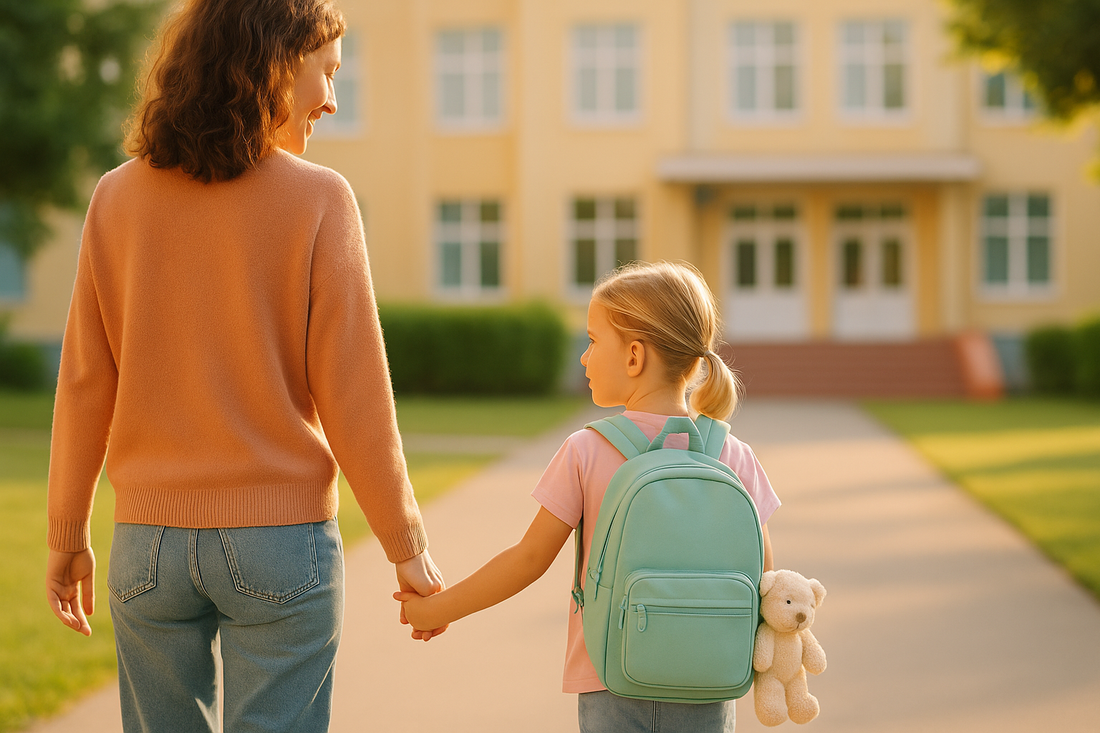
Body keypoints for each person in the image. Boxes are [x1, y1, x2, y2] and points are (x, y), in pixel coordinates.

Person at [44, 1, 444, 731]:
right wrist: (405, 545)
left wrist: (68, 534)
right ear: (273, 63)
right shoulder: (322, 198)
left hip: (146, 550)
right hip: (280, 544)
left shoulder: (115, 196)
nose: (331, 98)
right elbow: (355, 392)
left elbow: (83, 382)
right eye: (326, 72)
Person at [396, 261, 780, 733]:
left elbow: (527, 559)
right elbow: (764, 574)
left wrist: (436, 609)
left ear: (634, 356)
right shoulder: (733, 454)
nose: (583, 357)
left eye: (593, 341)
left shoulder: (587, 449)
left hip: (609, 678)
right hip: (708, 678)